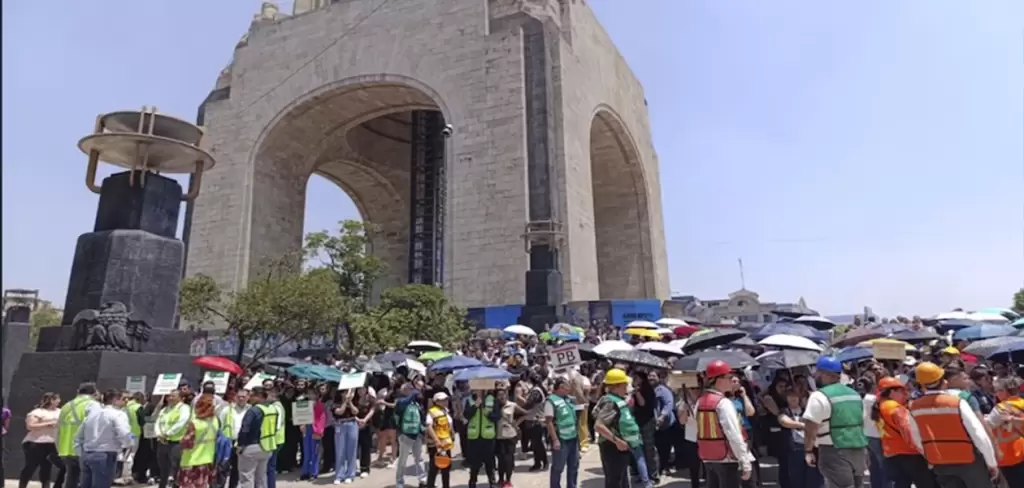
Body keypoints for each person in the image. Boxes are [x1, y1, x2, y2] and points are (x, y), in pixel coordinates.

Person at [907, 362, 998, 488]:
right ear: (943, 381)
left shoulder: (914, 407)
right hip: (969, 461)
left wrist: (931, 459)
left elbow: (916, 439)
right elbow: (978, 434)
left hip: (941, 462)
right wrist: (991, 462)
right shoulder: (957, 402)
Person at [802, 356, 868, 488]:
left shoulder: (819, 396)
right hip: (859, 448)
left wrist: (808, 450)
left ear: (825, 374)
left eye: (817, 373)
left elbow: (811, 426)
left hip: (834, 450)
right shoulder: (854, 394)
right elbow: (862, 419)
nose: (815, 376)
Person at [695, 360, 752, 488]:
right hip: (726, 457)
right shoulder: (723, 403)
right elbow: (734, 435)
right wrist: (745, 461)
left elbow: (697, 430)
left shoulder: (700, 401)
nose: (732, 380)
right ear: (718, 379)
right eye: (729, 377)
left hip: (708, 457)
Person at [870, 377, 935, 488]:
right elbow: (909, 432)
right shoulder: (895, 408)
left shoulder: (880, 407)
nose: (905, 394)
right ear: (891, 392)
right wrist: (926, 453)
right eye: (901, 391)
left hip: (892, 455)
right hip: (910, 455)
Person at [75, 389, 135, 488]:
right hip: (106, 454)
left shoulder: (91, 415)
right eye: (124, 399)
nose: (126, 401)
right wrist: (129, 444)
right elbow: (124, 433)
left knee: (85, 485)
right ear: (115, 400)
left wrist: (81, 453)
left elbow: (78, 436)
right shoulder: (118, 414)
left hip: (87, 453)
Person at [594, 368, 643, 488]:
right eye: (625, 384)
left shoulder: (617, 399)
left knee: (622, 481)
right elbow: (599, 426)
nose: (627, 386)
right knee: (615, 482)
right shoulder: (610, 402)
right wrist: (617, 441)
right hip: (612, 447)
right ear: (617, 386)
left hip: (620, 447)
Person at [57, 382, 100, 488]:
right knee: (87, 479)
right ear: (94, 393)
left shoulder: (66, 405)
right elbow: (96, 424)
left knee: (71, 477)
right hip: (84, 447)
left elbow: (58, 428)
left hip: (65, 447)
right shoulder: (92, 404)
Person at [20, 392, 65, 488]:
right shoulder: (37, 412)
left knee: (47, 468)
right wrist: (48, 424)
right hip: (35, 443)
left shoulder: (60, 412)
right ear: (51, 400)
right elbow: (30, 426)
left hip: (52, 443)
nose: (59, 401)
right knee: (31, 467)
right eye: (57, 399)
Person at [985, 376, 1024, 487]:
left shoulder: (1000, 409)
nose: (995, 394)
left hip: (1008, 453)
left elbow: (988, 425)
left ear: (1005, 391)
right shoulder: (1022, 402)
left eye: (997, 391)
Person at [236, 387, 277, 488]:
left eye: (252, 395)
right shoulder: (272, 409)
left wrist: (240, 445)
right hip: (267, 446)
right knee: (261, 477)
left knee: (247, 477)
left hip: (251, 447)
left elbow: (245, 429)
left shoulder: (253, 410)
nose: (250, 398)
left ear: (259, 396)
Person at [177, 395, 220, 488]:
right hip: (207, 460)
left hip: (191, 461)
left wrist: (181, 439)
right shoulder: (215, 421)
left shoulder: (195, 423)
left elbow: (187, 443)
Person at [546, 377, 580, 488]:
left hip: (573, 437)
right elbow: (549, 422)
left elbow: (583, 401)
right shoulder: (551, 400)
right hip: (561, 439)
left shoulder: (569, 399)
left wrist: (576, 388)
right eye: (567, 386)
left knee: (574, 465)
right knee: (558, 467)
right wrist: (555, 440)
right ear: (561, 387)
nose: (569, 389)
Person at [155, 390, 193, 488]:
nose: (170, 398)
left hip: (176, 443)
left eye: (173, 396)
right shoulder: (165, 409)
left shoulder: (184, 408)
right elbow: (158, 422)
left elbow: (181, 423)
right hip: (162, 442)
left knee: (175, 468)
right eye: (169, 396)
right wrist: (159, 433)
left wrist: (167, 434)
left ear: (181, 398)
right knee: (163, 468)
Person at [463, 388, 499, 488]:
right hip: (474, 436)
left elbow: (497, 416)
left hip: (488, 436)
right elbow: (466, 415)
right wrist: (476, 405)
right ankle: (472, 481)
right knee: (475, 462)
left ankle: (492, 482)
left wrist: (486, 412)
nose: (478, 390)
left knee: (489, 461)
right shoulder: (469, 400)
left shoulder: (492, 400)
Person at [217, 389, 251, 488]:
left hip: (241, 443)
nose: (241, 398)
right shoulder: (227, 410)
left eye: (243, 397)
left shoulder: (250, 410)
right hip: (227, 442)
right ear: (235, 397)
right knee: (223, 467)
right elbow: (220, 424)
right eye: (239, 396)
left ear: (248, 398)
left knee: (237, 469)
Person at [394, 385, 426, 488]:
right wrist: (414, 393)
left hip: (417, 434)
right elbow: (401, 408)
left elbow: (422, 417)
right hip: (405, 434)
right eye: (410, 389)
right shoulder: (400, 402)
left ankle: (422, 480)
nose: (413, 391)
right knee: (403, 459)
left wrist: (423, 431)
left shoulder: (417, 403)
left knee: (419, 458)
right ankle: (399, 482)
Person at [425, 392, 454, 488]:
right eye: (442, 400)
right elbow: (429, 427)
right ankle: (430, 485)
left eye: (446, 399)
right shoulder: (432, 412)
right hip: (436, 445)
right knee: (434, 467)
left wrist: (452, 433)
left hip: (446, 444)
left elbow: (448, 425)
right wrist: (436, 441)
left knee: (446, 467)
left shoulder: (446, 410)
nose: (445, 401)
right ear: (436, 401)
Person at [331, 389, 360, 484]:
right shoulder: (335, 403)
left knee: (351, 450)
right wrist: (344, 402)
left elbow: (356, 412)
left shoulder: (354, 401)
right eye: (344, 392)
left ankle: (350, 474)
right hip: (340, 425)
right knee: (340, 450)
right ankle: (339, 475)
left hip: (352, 424)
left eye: (348, 392)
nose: (346, 394)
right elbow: (339, 412)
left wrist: (350, 402)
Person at [120, 392, 146, 485]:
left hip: (125, 433)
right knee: (131, 454)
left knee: (125, 454)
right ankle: (127, 476)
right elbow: (142, 421)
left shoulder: (125, 407)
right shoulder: (138, 407)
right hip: (134, 434)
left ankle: (123, 474)